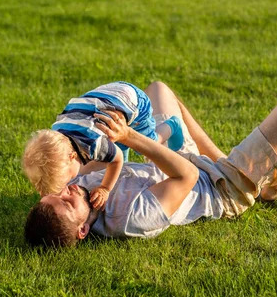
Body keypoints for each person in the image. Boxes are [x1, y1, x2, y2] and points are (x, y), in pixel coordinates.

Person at [24, 82, 277, 247]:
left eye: (56, 193)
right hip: (221, 186)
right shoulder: (130, 219)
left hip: (180, 158)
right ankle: (275, 185)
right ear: (82, 231)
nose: (70, 190)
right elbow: (189, 176)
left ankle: (231, 159)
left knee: (159, 90)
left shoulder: (79, 193)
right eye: (67, 201)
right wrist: (129, 136)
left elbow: (76, 153)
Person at [22, 81, 185, 209]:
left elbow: (117, 160)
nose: (71, 182)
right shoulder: (57, 133)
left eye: (69, 178)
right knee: (115, 143)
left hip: (133, 101)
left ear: (72, 157)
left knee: (148, 145)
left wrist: (105, 188)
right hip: (104, 95)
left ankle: (172, 125)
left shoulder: (94, 143)